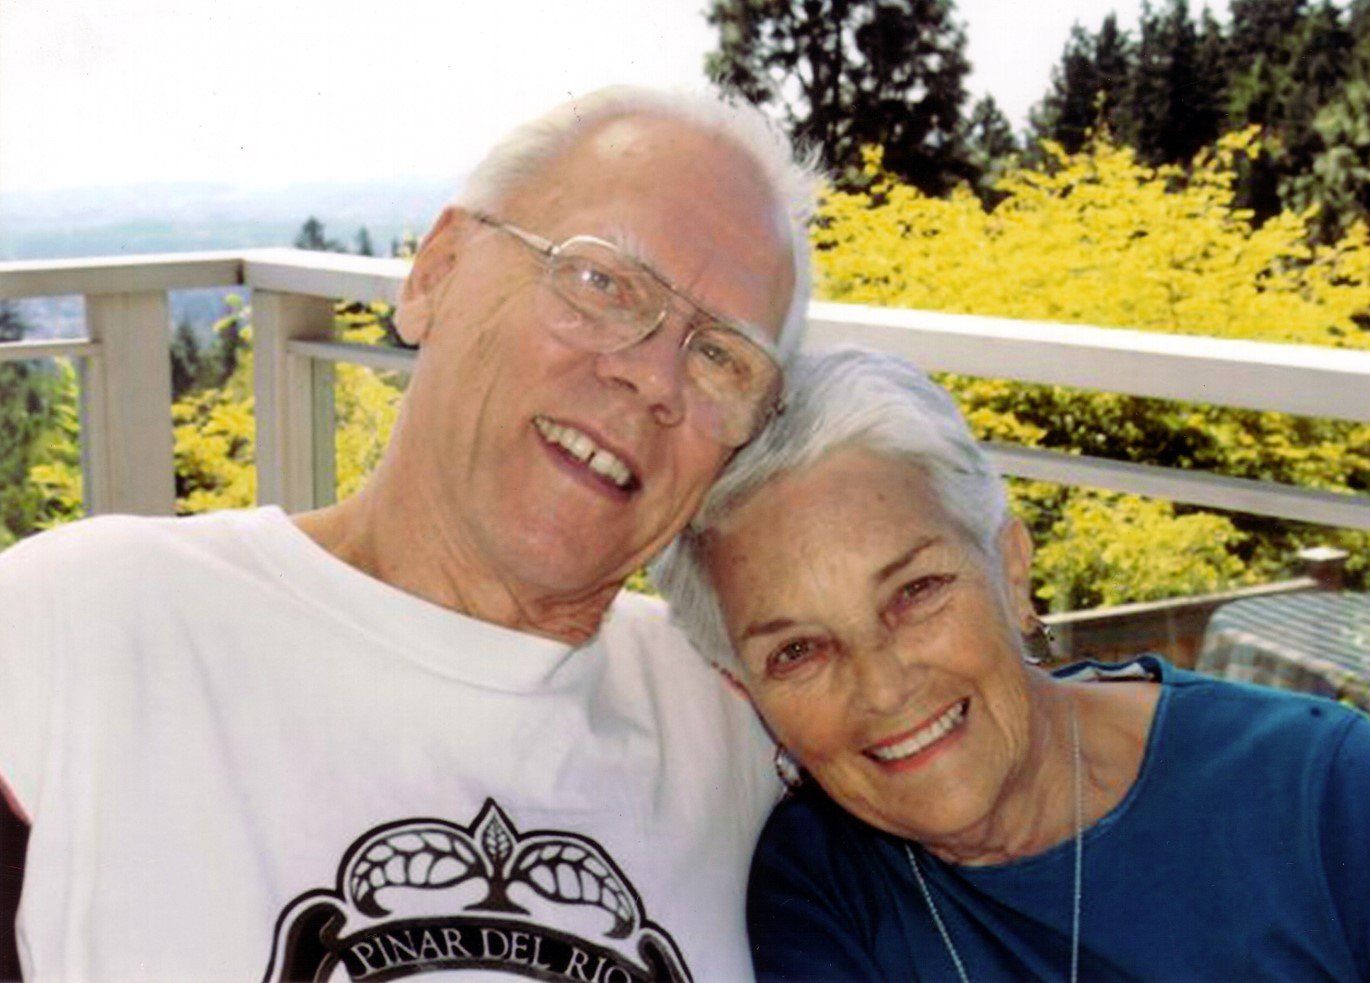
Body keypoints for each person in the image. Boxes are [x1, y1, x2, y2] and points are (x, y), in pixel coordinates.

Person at [0, 87, 819, 981]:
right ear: (436, 273)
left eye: (721, 358)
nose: (655, 377)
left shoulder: (742, 722)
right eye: (602, 283)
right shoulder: (78, 628)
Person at [653, 347, 1370, 982]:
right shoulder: (818, 893)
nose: (883, 686)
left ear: (1009, 567)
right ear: (745, 689)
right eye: (797, 650)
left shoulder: (1316, 791)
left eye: (914, 591)